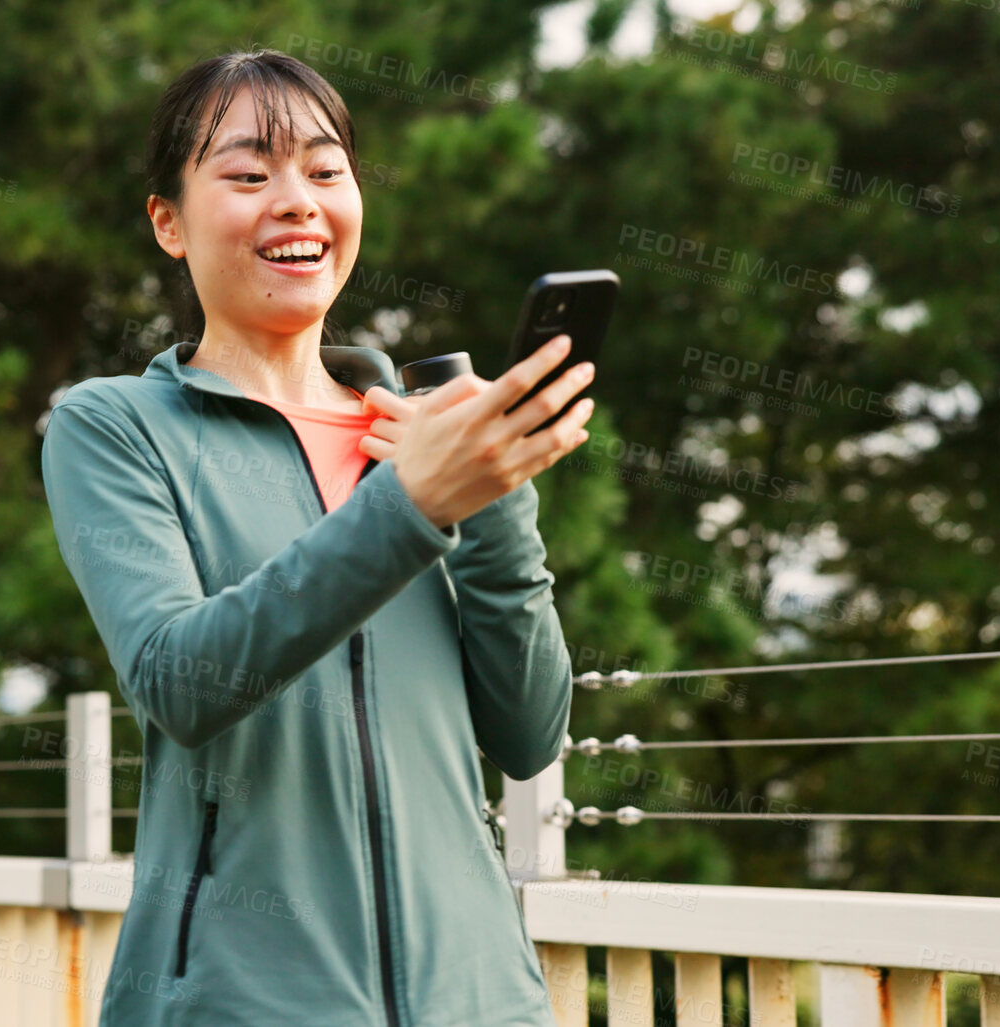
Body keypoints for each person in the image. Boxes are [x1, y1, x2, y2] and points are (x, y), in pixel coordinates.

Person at [40, 47, 596, 1026]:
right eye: (249, 174)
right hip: (240, 1004)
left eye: (325, 171)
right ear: (168, 222)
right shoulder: (113, 426)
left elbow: (526, 732)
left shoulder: (419, 430)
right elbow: (180, 678)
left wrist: (496, 495)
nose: (296, 201)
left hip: (480, 1001)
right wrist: (411, 507)